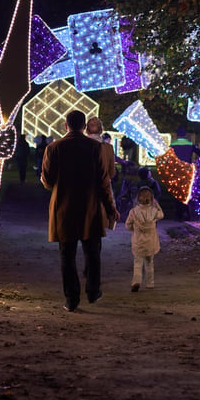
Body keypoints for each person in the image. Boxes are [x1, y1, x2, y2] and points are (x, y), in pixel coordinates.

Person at [40, 110, 119, 311]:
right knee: (92, 251)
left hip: (63, 208)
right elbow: (104, 182)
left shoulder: (54, 148)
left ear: (66, 126)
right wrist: (110, 208)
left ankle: (71, 299)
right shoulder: (96, 148)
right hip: (90, 206)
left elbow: (48, 182)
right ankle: (93, 291)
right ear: (84, 127)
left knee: (67, 254)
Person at [125, 186, 165, 292]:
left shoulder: (133, 212)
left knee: (137, 263)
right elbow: (161, 215)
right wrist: (156, 204)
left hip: (138, 242)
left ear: (138, 198)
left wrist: (134, 229)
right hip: (150, 242)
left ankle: (136, 281)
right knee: (149, 262)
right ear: (151, 199)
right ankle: (150, 283)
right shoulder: (154, 211)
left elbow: (128, 225)